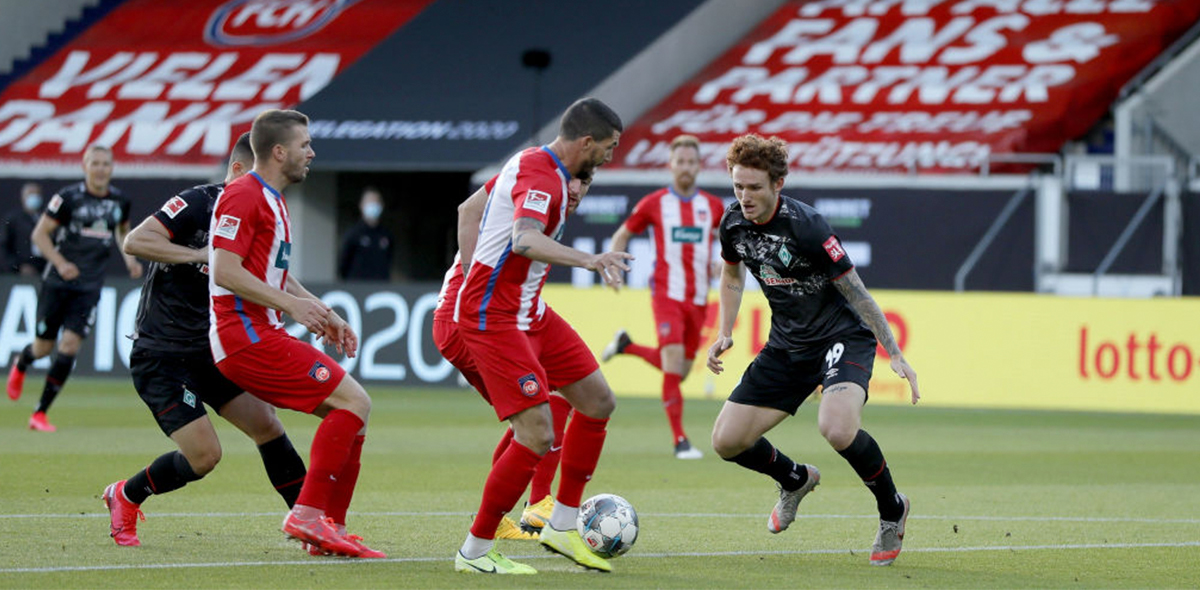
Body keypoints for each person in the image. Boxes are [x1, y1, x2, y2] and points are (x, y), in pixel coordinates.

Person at [706, 134, 920, 567]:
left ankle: (892, 509)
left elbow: (856, 292)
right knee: (726, 441)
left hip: (841, 336)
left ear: (778, 185)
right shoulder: (732, 224)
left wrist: (893, 351)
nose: (744, 197)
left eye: (754, 187)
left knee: (837, 429)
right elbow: (732, 275)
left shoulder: (807, 226)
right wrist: (725, 329)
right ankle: (795, 479)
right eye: (737, 186)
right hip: (788, 345)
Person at [100, 133, 308, 548]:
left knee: (266, 424)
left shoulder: (261, 212)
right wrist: (200, 255)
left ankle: (309, 525)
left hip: (212, 349)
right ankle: (126, 494)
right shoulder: (198, 203)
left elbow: (275, 275)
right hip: (161, 354)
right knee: (205, 458)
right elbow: (136, 240)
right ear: (237, 170)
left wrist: (315, 307)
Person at [452, 97, 629, 574]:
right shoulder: (540, 173)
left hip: (530, 312)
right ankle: (475, 550)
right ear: (586, 142)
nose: (611, 157)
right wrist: (590, 259)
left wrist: (472, 269)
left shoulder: (538, 167)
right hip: (495, 318)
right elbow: (524, 239)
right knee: (535, 432)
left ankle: (564, 525)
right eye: (609, 148)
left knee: (597, 401)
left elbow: (469, 210)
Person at [208, 109, 381, 558]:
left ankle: (328, 530)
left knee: (352, 414)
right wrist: (293, 308)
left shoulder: (273, 199)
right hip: (243, 334)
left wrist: (323, 312)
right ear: (278, 151)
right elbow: (225, 271)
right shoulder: (242, 194)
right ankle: (307, 516)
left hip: (260, 330)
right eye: (305, 144)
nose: (312, 152)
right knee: (356, 401)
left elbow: (275, 275)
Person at [434, 173, 593, 543]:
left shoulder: (543, 195)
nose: (577, 190)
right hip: (470, 321)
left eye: (586, 182)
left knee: (544, 407)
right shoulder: (533, 183)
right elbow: (468, 210)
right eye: (575, 180)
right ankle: (535, 505)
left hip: (493, 316)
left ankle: (518, 512)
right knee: (544, 406)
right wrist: (476, 283)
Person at [602, 134, 724, 459]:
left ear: (698, 166)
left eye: (691, 162)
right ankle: (680, 440)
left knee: (680, 371)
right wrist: (613, 265)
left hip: (699, 297)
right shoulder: (655, 203)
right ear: (671, 165)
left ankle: (626, 345)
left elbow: (729, 243)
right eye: (680, 161)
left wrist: (721, 261)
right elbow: (623, 232)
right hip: (666, 294)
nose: (685, 167)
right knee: (672, 363)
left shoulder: (712, 207)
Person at [6, 146, 143, 431]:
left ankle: (40, 412)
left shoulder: (120, 201)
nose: (101, 168)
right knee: (43, 349)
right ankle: (22, 361)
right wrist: (60, 262)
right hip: (57, 282)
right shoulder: (67, 199)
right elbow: (40, 234)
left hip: (89, 287)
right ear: (85, 166)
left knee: (69, 346)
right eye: (95, 163)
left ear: (112, 168)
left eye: (106, 164)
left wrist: (130, 259)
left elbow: (121, 232)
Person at [337, 187, 394, 281]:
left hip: (380, 286)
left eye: (376, 202)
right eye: (369, 202)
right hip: (357, 286)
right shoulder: (353, 234)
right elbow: (343, 264)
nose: (373, 205)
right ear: (361, 205)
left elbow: (389, 259)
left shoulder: (386, 235)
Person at [1, 182, 47, 276]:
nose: (34, 197)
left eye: (37, 194)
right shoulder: (13, 219)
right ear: (23, 197)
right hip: (19, 271)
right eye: (30, 194)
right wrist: (17, 266)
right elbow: (3, 246)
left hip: (43, 268)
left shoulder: (46, 218)